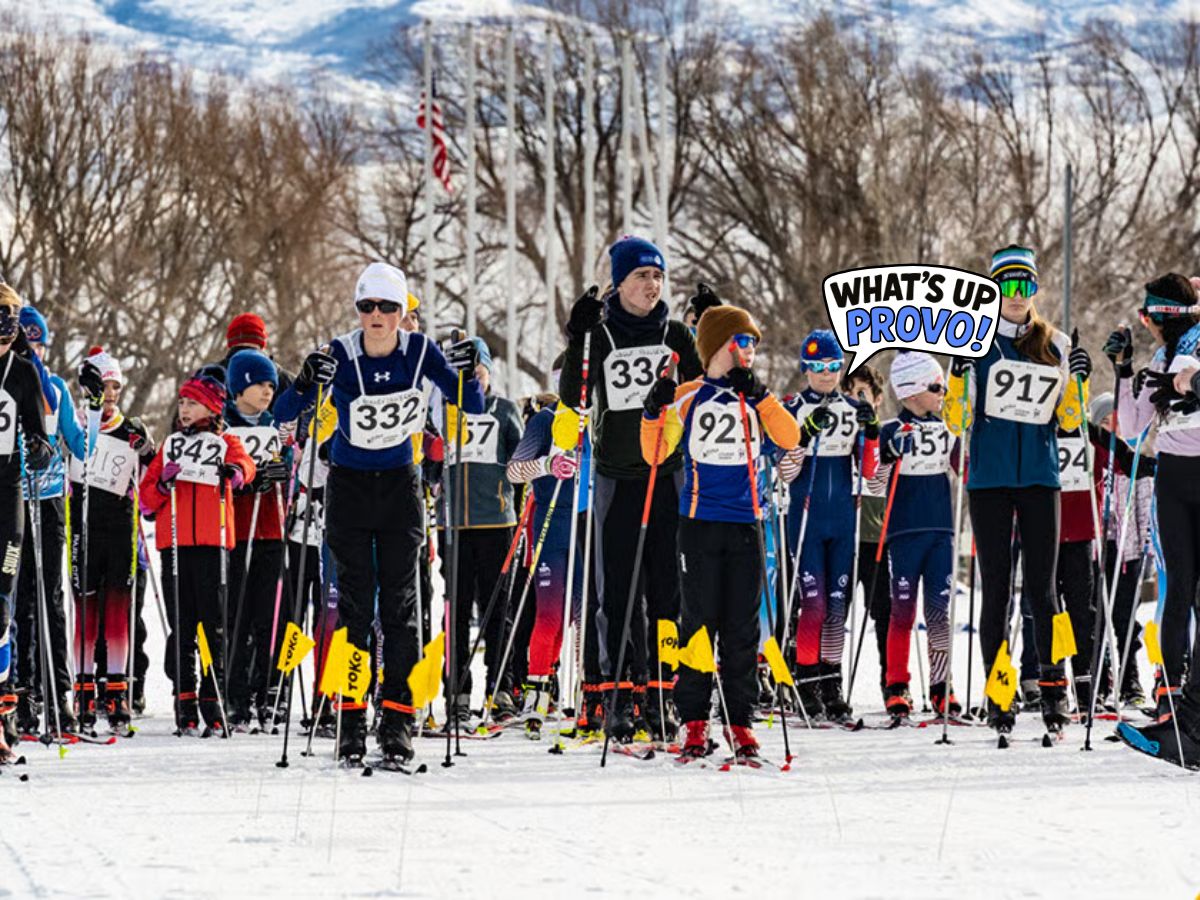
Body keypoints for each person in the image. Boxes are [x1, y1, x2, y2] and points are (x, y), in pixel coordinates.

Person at [273, 261, 483, 763]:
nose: (376, 315)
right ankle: (350, 717)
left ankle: (398, 719)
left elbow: (468, 403)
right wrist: (303, 383)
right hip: (348, 488)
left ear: (401, 311)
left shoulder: (419, 351)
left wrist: (469, 368)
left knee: (401, 609)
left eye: (388, 307)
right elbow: (283, 413)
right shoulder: (339, 353)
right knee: (353, 609)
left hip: (399, 488)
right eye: (367, 306)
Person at [555, 237, 703, 743]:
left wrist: (712, 325)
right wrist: (576, 335)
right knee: (616, 593)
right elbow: (571, 394)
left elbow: (711, 386)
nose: (652, 285)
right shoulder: (601, 335)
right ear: (619, 282)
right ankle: (618, 695)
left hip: (668, 475)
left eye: (658, 276)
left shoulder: (676, 334)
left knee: (668, 592)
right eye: (641, 276)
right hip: (617, 474)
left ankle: (663, 693)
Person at [943, 244, 1090, 737]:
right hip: (989, 479)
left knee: (1046, 592)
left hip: (1041, 479)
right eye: (1005, 286)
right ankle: (999, 691)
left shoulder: (1057, 343)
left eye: (1024, 286)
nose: (1015, 296)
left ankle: (1054, 690)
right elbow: (957, 420)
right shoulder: (974, 343)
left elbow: (1069, 420)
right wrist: (959, 377)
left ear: (1034, 290)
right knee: (997, 592)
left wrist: (1080, 385)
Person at [640, 305, 799, 760]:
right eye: (743, 342)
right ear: (721, 345)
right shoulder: (689, 396)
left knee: (741, 627)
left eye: (753, 344)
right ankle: (693, 719)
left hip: (747, 523)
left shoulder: (756, 397)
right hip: (699, 524)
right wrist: (653, 411)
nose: (750, 351)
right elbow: (653, 453)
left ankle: (740, 720)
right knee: (698, 625)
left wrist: (764, 397)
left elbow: (789, 438)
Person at [1109, 274, 1200, 768]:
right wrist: (1123, 369)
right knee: (1178, 591)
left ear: (1161, 317)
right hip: (1173, 478)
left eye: (1147, 319)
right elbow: (1129, 427)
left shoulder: (1194, 346)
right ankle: (1175, 706)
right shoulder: (1161, 360)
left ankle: (1191, 720)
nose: (1146, 327)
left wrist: (1190, 382)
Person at [138, 373, 255, 736]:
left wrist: (235, 473)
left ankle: (213, 698)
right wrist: (161, 483)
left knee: (214, 627)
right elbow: (144, 499)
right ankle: (184, 700)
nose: (184, 409)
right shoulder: (171, 444)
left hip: (212, 544)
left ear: (211, 407)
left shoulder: (224, 441)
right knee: (182, 628)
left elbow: (246, 466)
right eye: (182, 403)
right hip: (175, 546)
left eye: (192, 402)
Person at [779, 329, 879, 723]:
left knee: (837, 606)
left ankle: (831, 681)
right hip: (805, 517)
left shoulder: (852, 407)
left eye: (833, 366)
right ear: (805, 369)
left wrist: (871, 432)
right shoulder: (793, 406)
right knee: (815, 604)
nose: (825, 374)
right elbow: (786, 471)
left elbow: (870, 473)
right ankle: (806, 681)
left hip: (841, 519)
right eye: (818, 367)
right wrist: (803, 435)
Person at [436, 337, 523, 724]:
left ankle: (500, 686)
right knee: (455, 610)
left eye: (478, 370)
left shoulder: (503, 410)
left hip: (496, 521)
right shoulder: (442, 408)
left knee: (496, 609)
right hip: (454, 523)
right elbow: (429, 463)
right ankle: (456, 688)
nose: (473, 379)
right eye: (464, 372)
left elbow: (521, 460)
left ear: (488, 370)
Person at [68, 347, 155, 733]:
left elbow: (152, 473)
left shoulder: (130, 427)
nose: (109, 395)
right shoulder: (75, 425)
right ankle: (84, 690)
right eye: (102, 387)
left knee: (119, 610)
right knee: (85, 610)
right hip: (82, 527)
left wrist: (147, 451)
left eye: (115, 387)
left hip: (120, 528)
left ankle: (117, 690)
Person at [870, 351, 960, 720]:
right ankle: (897, 685)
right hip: (905, 533)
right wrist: (889, 455)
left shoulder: (948, 428)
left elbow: (964, 469)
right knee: (902, 612)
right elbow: (874, 484)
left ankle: (941, 686)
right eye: (935, 387)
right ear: (911, 391)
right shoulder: (890, 430)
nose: (942, 393)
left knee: (940, 612)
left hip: (941, 530)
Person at [12, 306, 87, 734]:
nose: (30, 350)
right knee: (18, 600)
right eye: (24, 342)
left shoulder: (55, 388)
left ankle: (60, 695)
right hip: (13, 501)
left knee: (51, 599)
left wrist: (93, 407)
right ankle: (22, 695)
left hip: (51, 499)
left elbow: (81, 445)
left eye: (36, 342)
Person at [0, 284, 55, 760]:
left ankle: (3, 710)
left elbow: (41, 436)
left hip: (6, 495)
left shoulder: (22, 372)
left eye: (7, 323)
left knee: (1, 601)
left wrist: (38, 448)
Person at [223, 349, 290, 730]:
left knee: (272, 617)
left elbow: (292, 463)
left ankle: (269, 691)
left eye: (271, 385)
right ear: (240, 385)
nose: (268, 391)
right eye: (260, 384)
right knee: (238, 616)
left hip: (271, 529)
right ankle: (235, 694)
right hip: (234, 532)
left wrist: (284, 471)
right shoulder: (224, 428)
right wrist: (247, 483)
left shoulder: (274, 425)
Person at [840, 365, 891, 703]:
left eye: (863, 394)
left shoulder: (885, 432)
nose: (857, 402)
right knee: (833, 610)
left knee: (884, 611)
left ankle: (892, 681)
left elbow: (880, 480)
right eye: (851, 394)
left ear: (877, 398)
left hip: (875, 536)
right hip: (843, 534)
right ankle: (821, 682)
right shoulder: (839, 429)